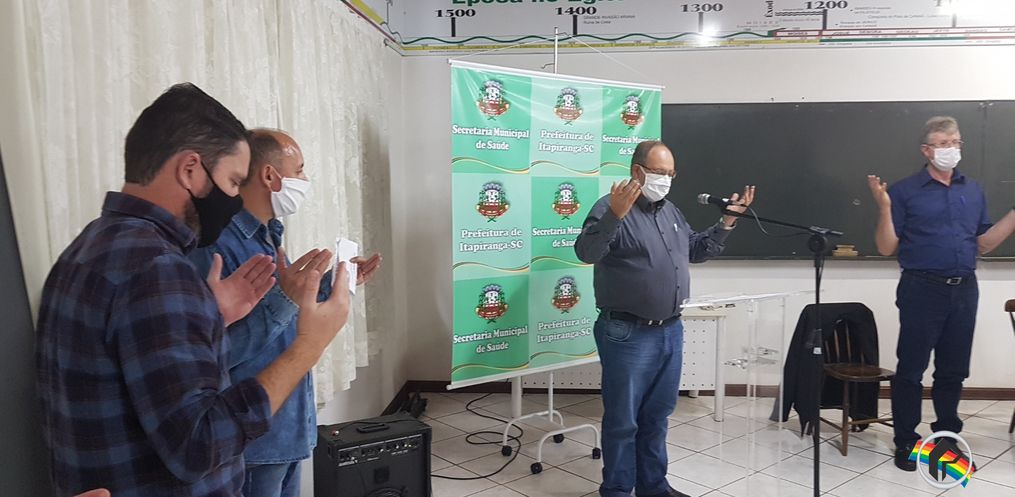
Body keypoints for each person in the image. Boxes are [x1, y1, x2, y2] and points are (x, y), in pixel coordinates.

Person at [36, 83, 351, 497]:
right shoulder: (157, 269)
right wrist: (309, 346)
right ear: (190, 170)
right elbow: (199, 445)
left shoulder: (88, 246)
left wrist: (210, 318)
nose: (235, 199)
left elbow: (138, 373)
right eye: (233, 182)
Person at [189, 129, 382, 497]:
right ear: (270, 176)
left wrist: (332, 283)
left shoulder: (267, 235)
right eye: (300, 169)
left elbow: (284, 310)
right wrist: (287, 301)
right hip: (253, 439)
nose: (305, 180)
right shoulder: (216, 247)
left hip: (288, 426)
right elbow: (215, 354)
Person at [575, 140, 755, 497]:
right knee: (623, 420)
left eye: (671, 173)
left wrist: (728, 220)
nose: (666, 180)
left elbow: (696, 251)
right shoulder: (610, 207)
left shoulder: (670, 210)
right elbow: (586, 252)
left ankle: (654, 487)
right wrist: (614, 217)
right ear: (637, 171)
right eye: (659, 172)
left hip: (670, 330)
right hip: (627, 331)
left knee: (657, 416)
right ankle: (617, 490)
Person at [867, 116, 1015, 471]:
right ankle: (906, 440)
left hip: (964, 288)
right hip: (922, 288)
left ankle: (947, 438)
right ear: (927, 150)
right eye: (944, 143)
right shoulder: (903, 191)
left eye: (956, 142)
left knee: (953, 370)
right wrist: (884, 208)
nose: (952, 149)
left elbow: (983, 244)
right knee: (911, 368)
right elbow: (886, 247)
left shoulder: (973, 190)